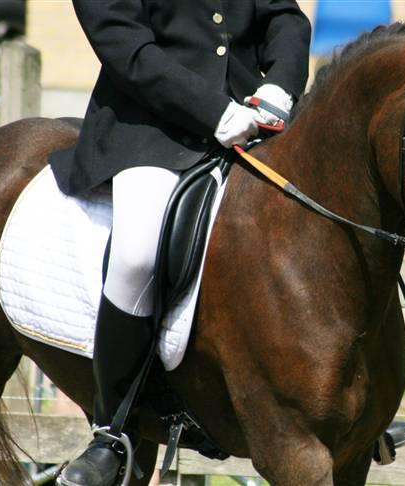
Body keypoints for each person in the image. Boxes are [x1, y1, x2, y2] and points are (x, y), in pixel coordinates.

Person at [49, 2, 311, 485]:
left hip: (255, 121)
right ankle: (113, 431)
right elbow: (125, 47)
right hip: (151, 127)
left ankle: (346, 405)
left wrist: (279, 84)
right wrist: (212, 110)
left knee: (323, 212)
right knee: (138, 253)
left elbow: (284, 17)